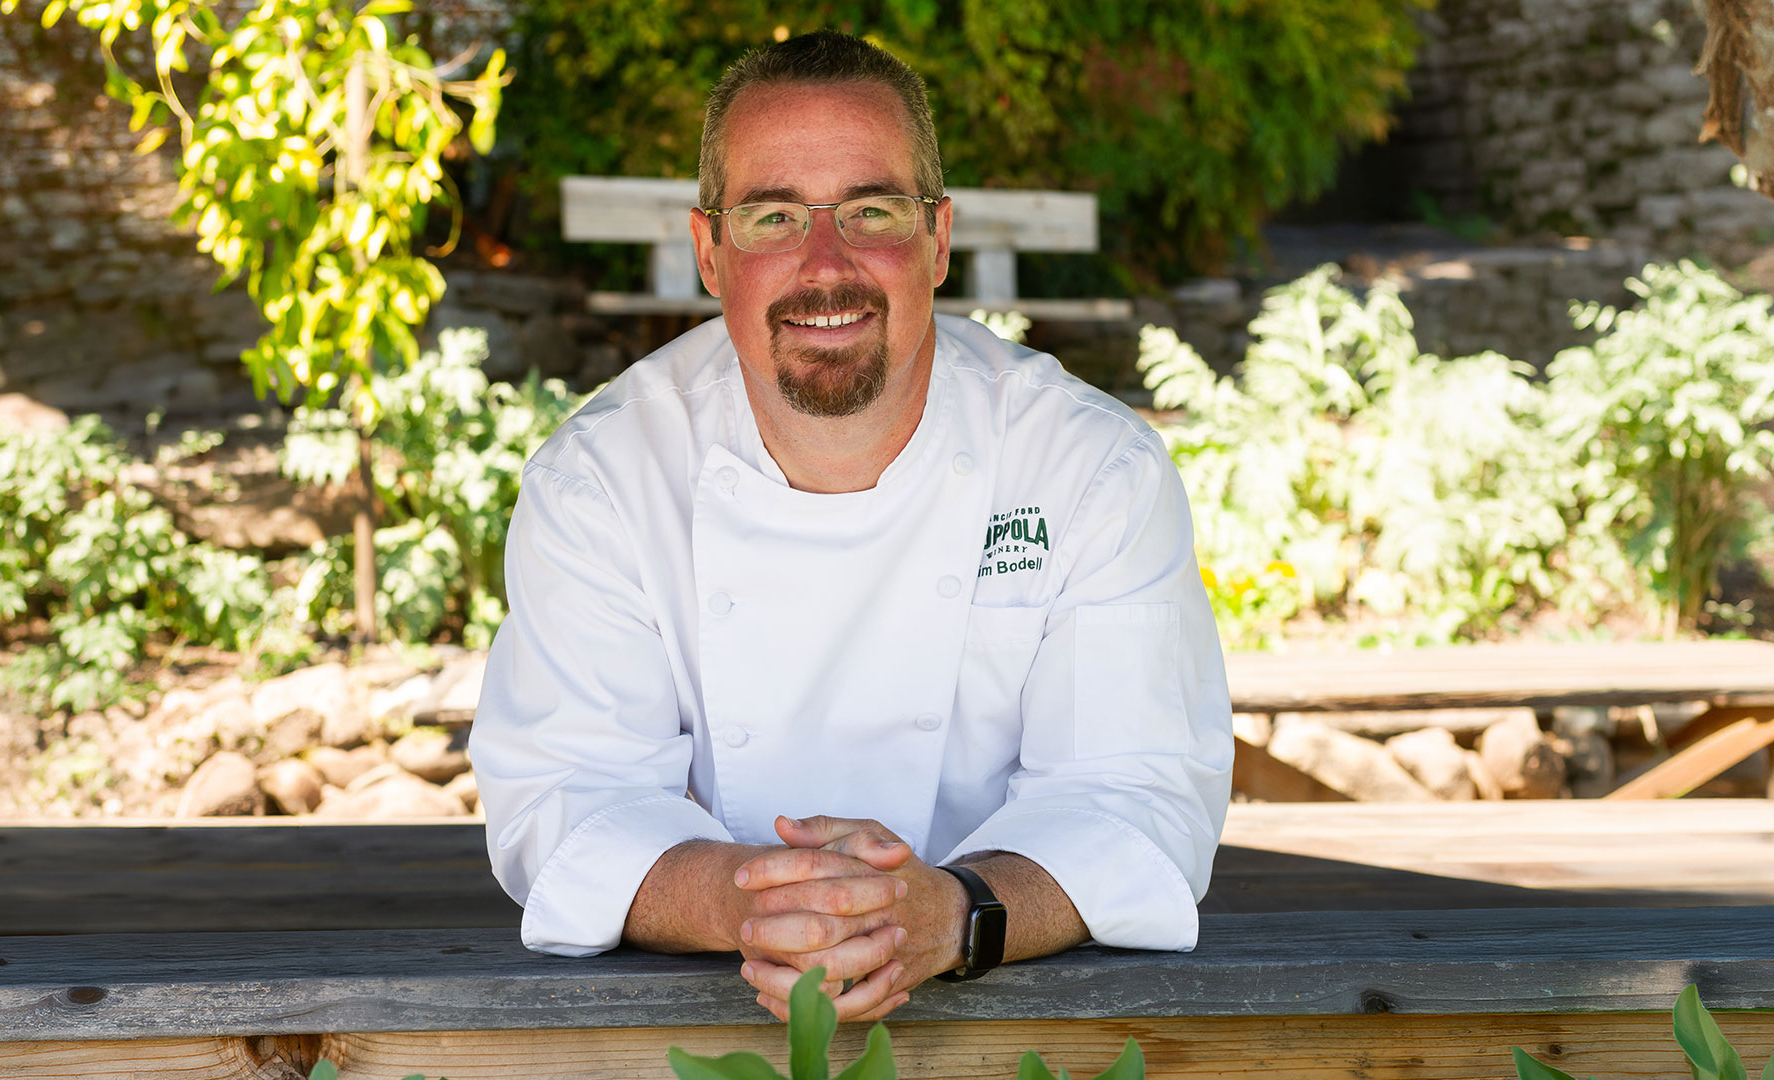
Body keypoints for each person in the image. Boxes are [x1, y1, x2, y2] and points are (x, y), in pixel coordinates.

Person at [469, 29, 1232, 1023]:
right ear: (709, 250)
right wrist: (755, 906)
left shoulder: (1088, 470)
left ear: (938, 237)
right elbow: (566, 796)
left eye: (870, 211)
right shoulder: (602, 481)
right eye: (772, 217)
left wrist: (954, 916)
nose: (823, 266)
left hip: (1026, 1017)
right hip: (690, 1024)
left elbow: (1137, 792)